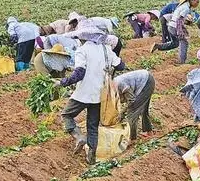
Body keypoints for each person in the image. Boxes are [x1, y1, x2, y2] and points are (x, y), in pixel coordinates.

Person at [54, 23, 126, 165]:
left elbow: (79, 73)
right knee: (92, 126)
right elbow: (121, 65)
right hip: (100, 94)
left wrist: (62, 82)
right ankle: (91, 158)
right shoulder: (106, 49)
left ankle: (79, 137)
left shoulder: (82, 51)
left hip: (84, 93)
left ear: (83, 38)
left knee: (66, 115)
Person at [151, 0, 200, 64]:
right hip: (174, 27)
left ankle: (158, 46)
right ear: (192, 0)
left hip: (171, 26)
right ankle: (182, 62)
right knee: (184, 42)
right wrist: (180, 32)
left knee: (175, 43)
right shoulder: (186, 8)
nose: (197, 4)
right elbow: (179, 20)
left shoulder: (183, 6)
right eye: (197, 2)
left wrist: (183, 30)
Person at [114, 69, 156, 140]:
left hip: (146, 82)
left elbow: (131, 100)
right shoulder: (113, 86)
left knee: (132, 112)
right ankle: (149, 132)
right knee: (143, 109)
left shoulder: (120, 85)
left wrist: (122, 113)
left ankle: (132, 139)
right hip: (147, 79)